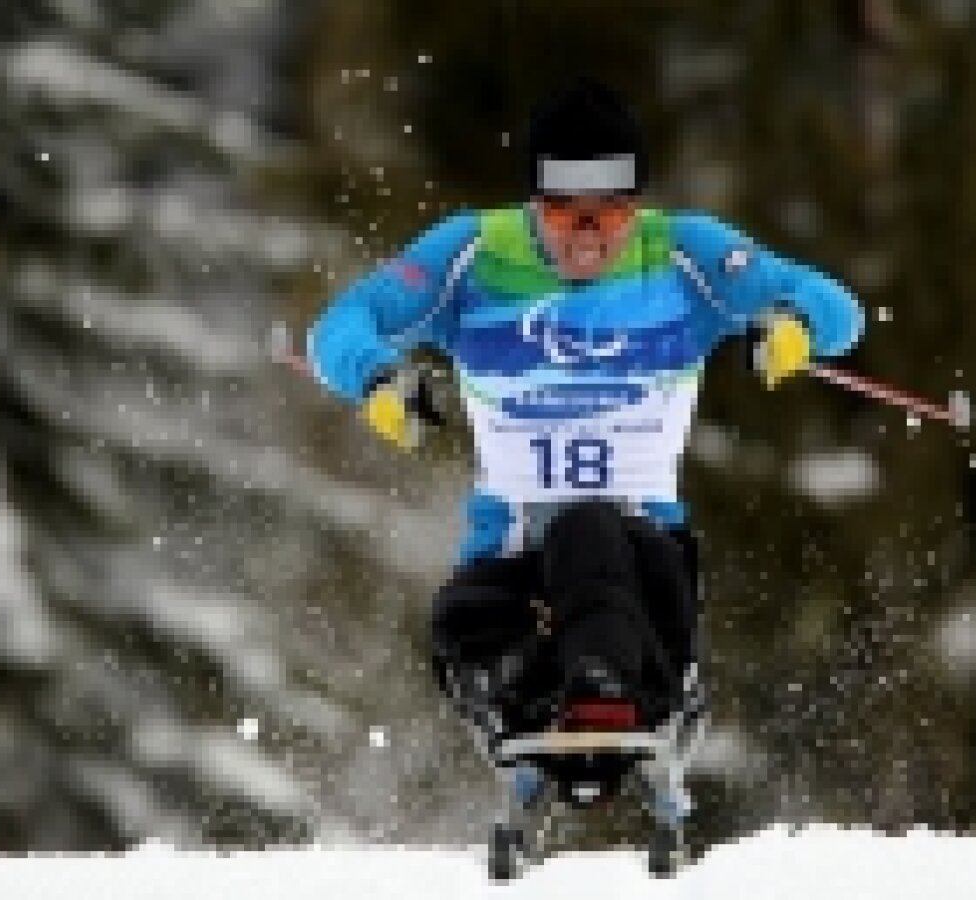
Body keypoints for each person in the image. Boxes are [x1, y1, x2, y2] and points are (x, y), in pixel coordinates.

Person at [302, 78, 864, 740]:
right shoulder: (472, 257)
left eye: (614, 212)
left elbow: (838, 308)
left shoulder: (687, 256)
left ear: (638, 204)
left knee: (587, 526)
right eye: (569, 213)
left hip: (645, 574)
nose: (591, 236)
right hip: (506, 565)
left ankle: (609, 688)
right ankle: (553, 698)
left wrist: (794, 323)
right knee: (460, 635)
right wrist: (375, 377)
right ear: (535, 202)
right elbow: (340, 326)